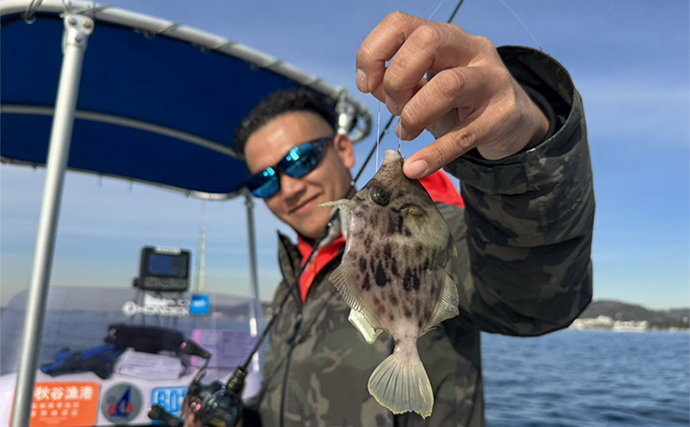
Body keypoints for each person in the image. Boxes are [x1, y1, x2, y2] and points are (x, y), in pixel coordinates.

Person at [184, 11, 594, 427]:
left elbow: (535, 300)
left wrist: (521, 153)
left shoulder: (433, 231)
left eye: (300, 159)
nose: (289, 187)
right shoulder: (290, 283)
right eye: (265, 181)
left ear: (344, 151)